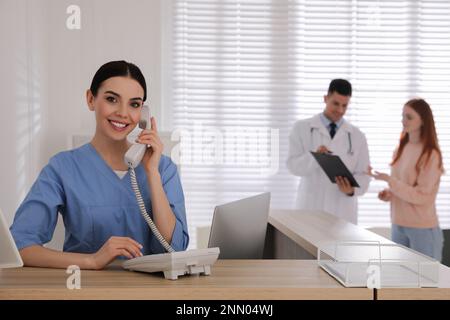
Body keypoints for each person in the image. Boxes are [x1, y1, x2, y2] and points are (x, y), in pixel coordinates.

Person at [10, 60, 189, 269]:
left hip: (150, 293)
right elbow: (20, 246)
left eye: (134, 104)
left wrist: (151, 173)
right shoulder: (63, 167)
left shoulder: (162, 168)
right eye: (112, 99)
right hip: (85, 290)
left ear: (143, 113)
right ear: (91, 99)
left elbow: (175, 248)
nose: (123, 113)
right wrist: (91, 260)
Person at [368, 98, 444, 261]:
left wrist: (390, 181)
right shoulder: (400, 149)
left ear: (423, 120)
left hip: (422, 229)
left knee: (426, 284)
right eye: (402, 116)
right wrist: (389, 194)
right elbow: (402, 186)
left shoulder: (430, 154)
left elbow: (422, 196)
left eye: (409, 117)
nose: (404, 121)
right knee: (400, 283)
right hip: (398, 225)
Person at [286, 79, 370, 223]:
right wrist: (315, 157)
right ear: (326, 98)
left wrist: (351, 190)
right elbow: (293, 166)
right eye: (336, 104)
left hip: (342, 211)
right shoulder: (301, 128)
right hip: (310, 207)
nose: (340, 110)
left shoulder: (357, 136)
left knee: (340, 244)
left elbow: (364, 174)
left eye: (345, 105)